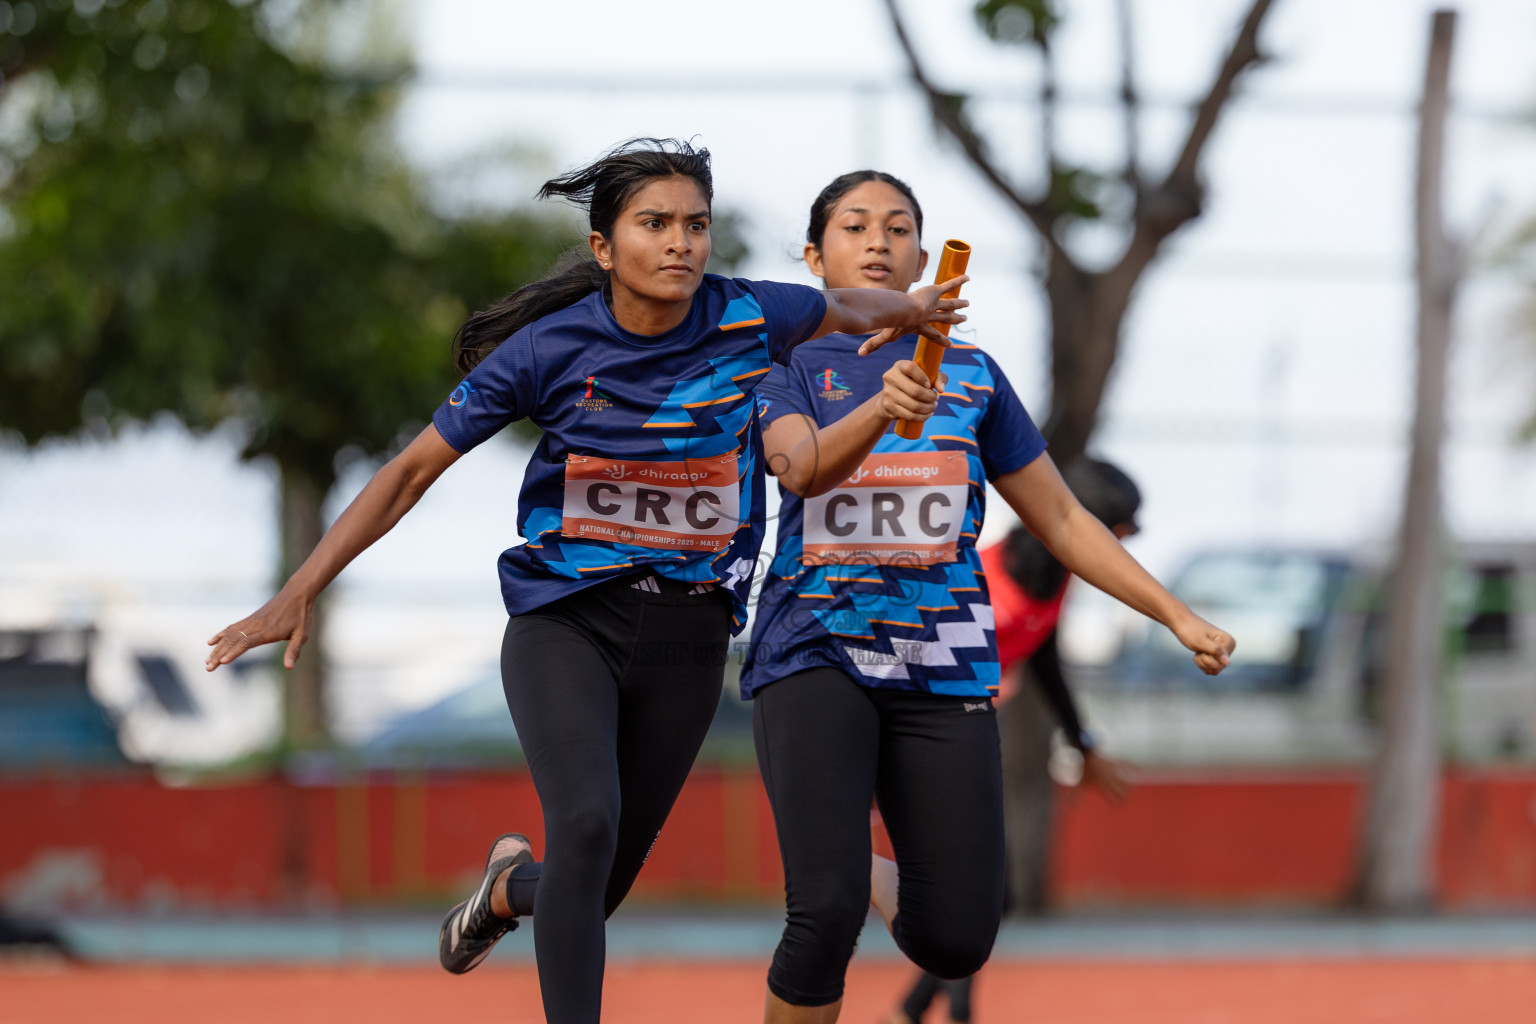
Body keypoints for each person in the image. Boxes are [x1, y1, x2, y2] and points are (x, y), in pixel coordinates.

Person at [203, 139, 968, 1024]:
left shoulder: (753, 315)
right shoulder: (548, 349)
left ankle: (500, 893)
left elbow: (844, 303)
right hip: (567, 620)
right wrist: (301, 588)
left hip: (690, 634)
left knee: (586, 889)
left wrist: (911, 307)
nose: (680, 243)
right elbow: (411, 471)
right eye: (654, 225)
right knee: (584, 830)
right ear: (604, 248)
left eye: (696, 225)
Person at [743, 169, 1235, 1024]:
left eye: (898, 228)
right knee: (821, 916)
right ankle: (841, 877)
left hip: (943, 662)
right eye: (855, 227)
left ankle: (862, 870)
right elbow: (799, 466)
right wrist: (876, 412)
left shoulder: (971, 377)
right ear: (816, 256)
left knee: (958, 937)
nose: (878, 242)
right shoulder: (781, 362)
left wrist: (1174, 612)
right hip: (813, 650)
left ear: (926, 258)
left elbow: (1064, 520)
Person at [889, 457, 1141, 1024]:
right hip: (922, 730)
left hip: (969, 729)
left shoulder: (1060, 578)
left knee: (989, 894)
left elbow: (1046, 656)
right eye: (1126, 524)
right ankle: (936, 1014)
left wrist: (1084, 744)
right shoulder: (982, 577)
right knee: (981, 893)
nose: (1134, 537)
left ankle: (911, 1013)